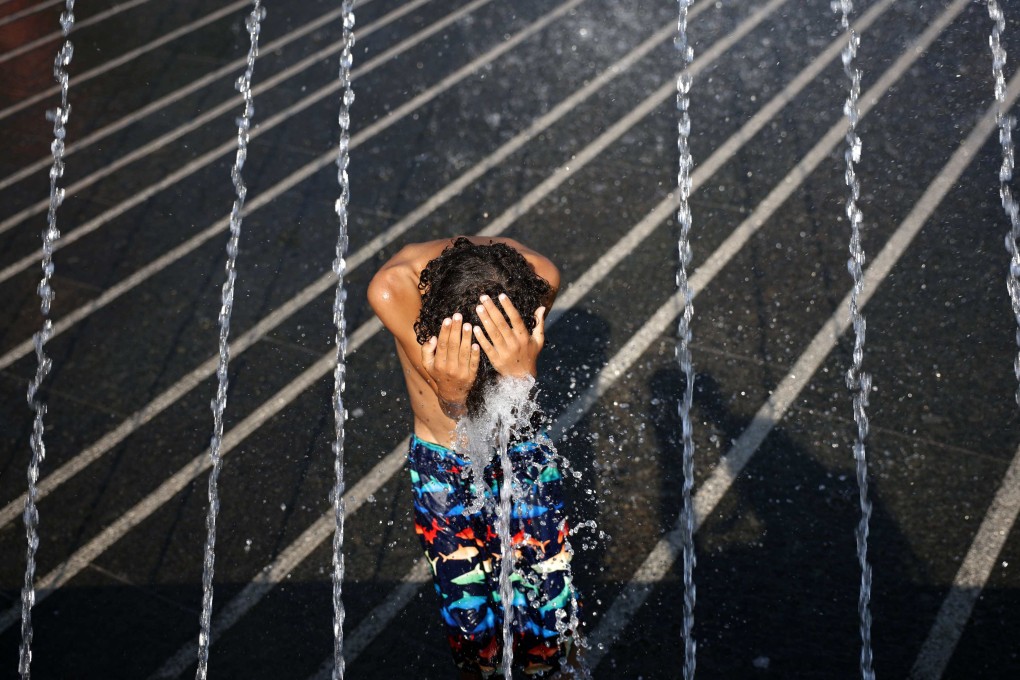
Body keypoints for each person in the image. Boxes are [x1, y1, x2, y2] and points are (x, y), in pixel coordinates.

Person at [368, 236, 581, 678]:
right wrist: (450, 392)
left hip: (519, 447)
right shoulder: (393, 291)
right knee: (471, 626)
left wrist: (521, 376)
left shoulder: (541, 276)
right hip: (443, 461)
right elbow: (458, 411)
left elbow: (517, 408)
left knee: (550, 616)